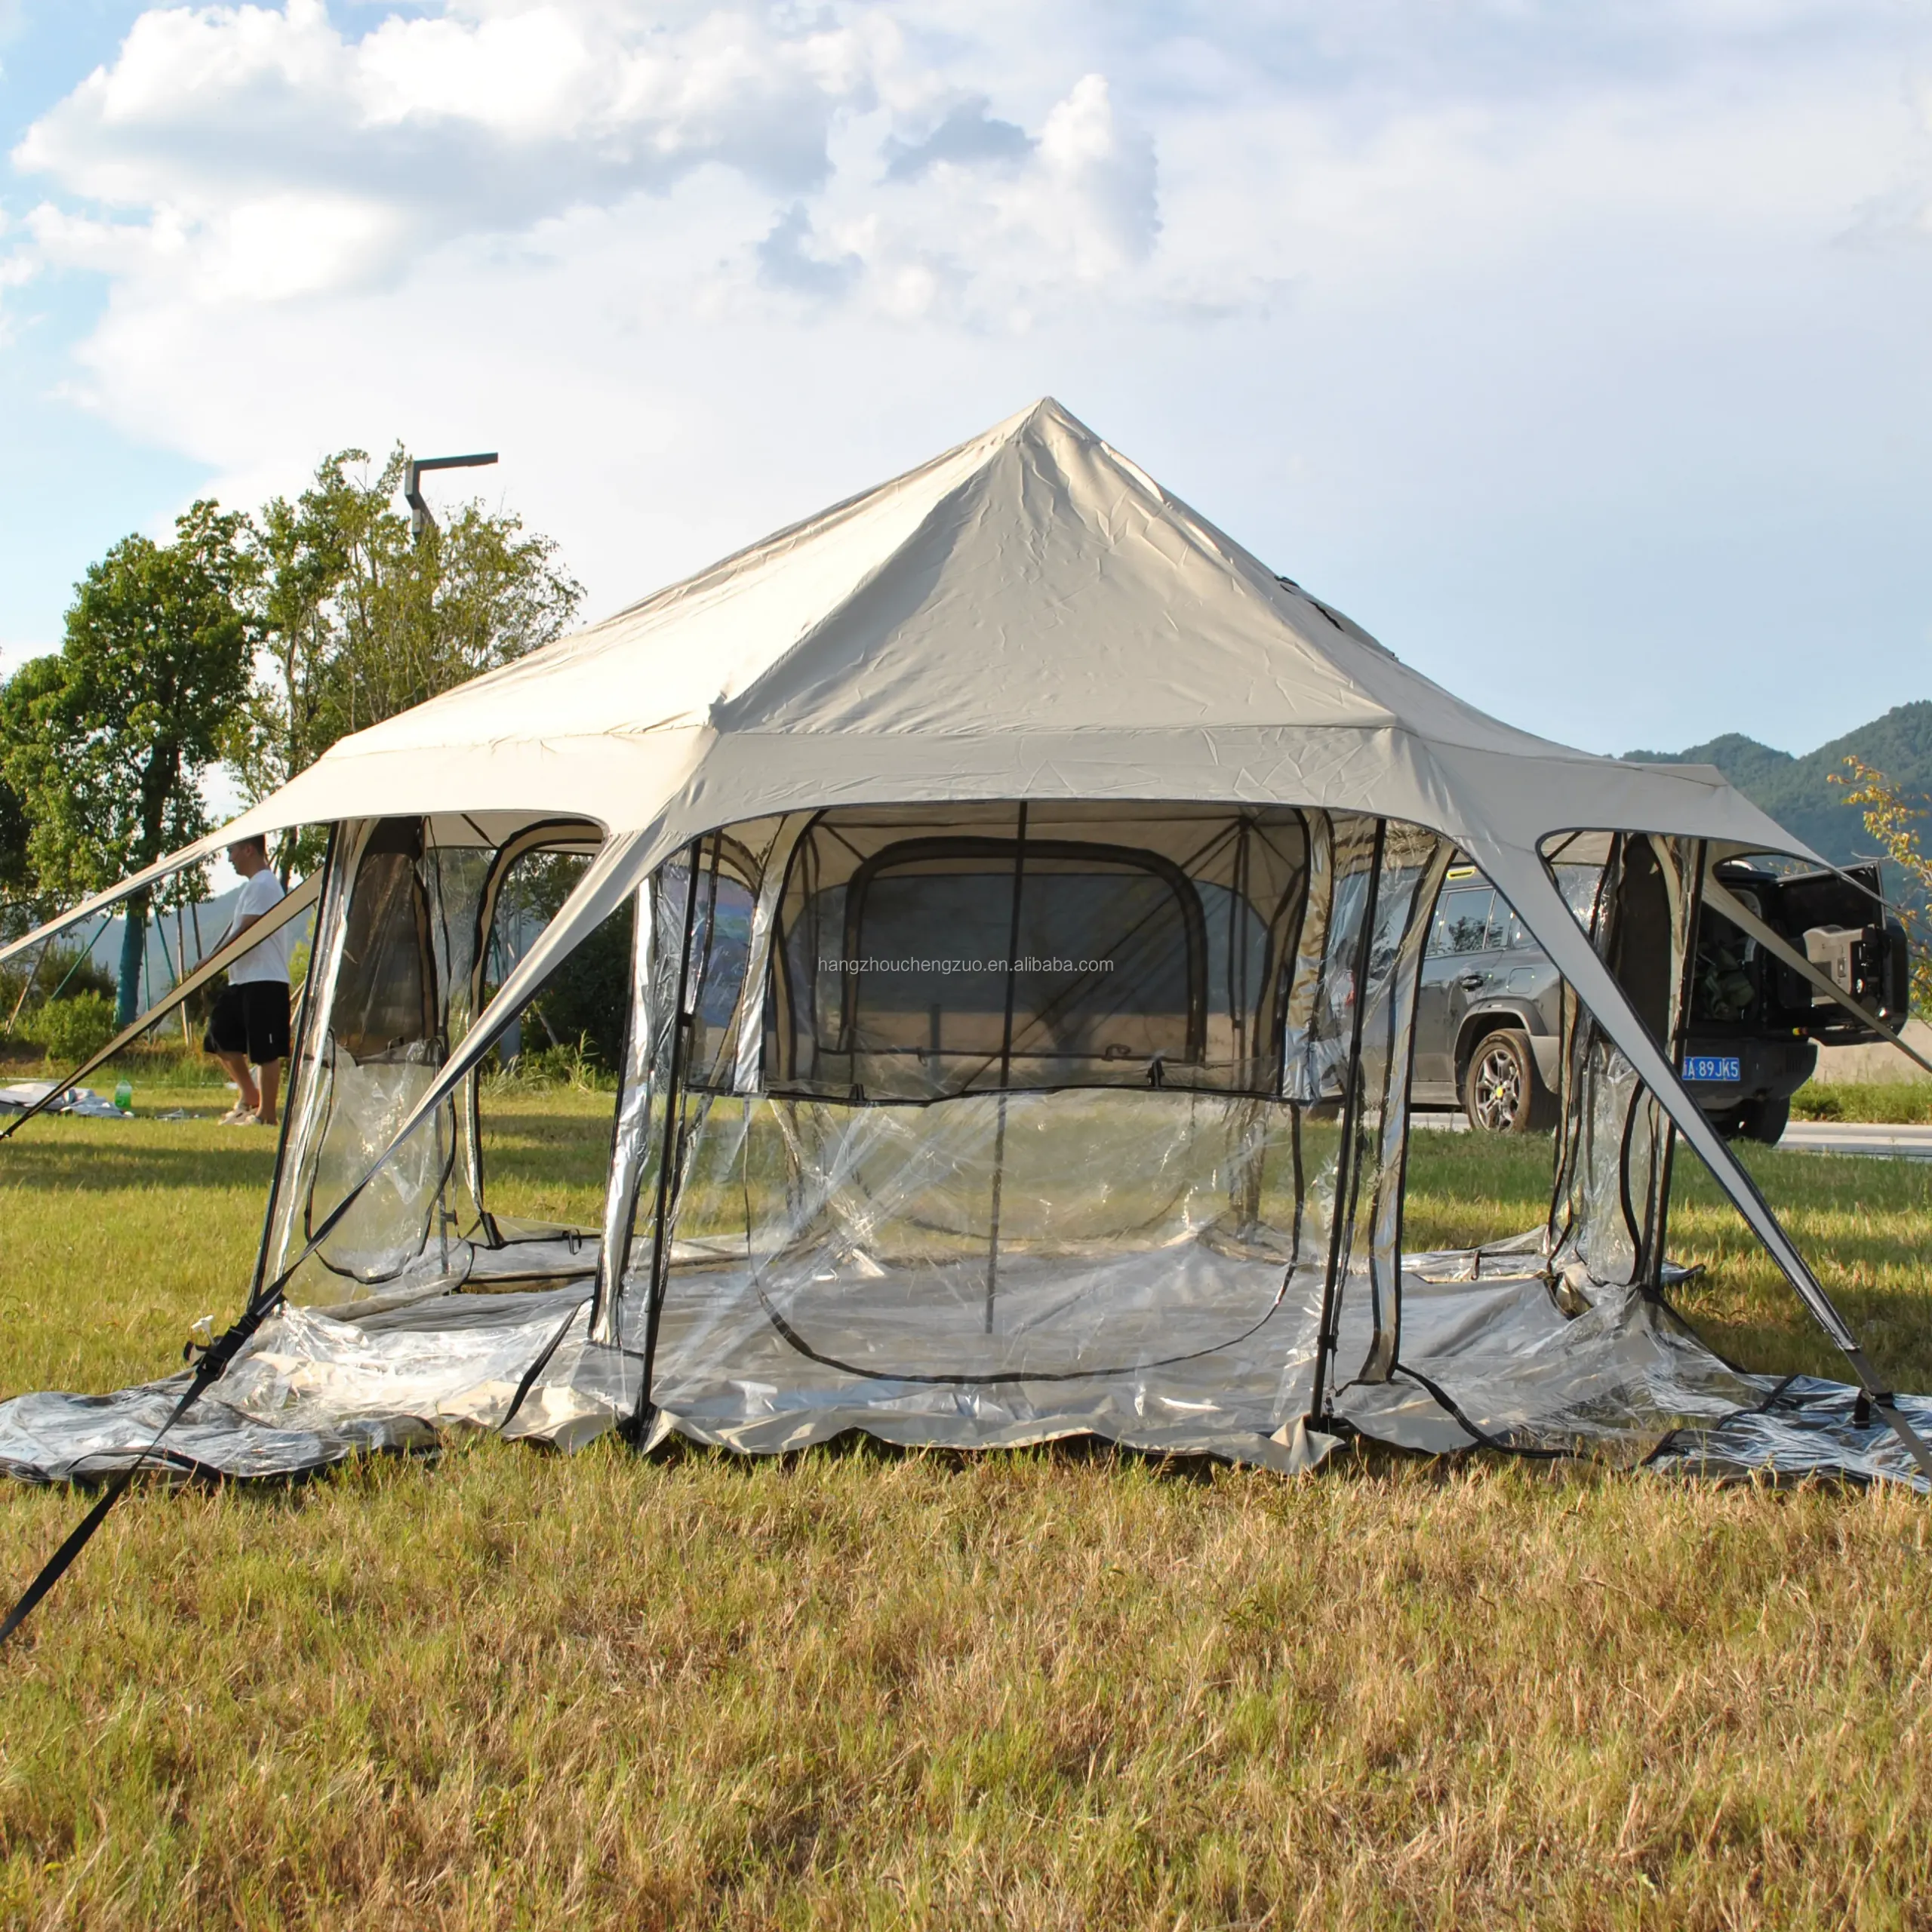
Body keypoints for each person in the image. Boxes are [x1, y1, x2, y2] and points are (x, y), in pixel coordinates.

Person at [202, 835, 291, 1126]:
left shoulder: (264, 885)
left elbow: (245, 933)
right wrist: (210, 961)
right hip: (242, 980)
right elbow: (233, 932)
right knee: (220, 1035)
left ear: (249, 849)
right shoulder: (252, 887)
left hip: (266, 979)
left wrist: (212, 962)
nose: (229, 858)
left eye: (232, 851)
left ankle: (266, 1115)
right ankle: (251, 1097)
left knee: (265, 1050)